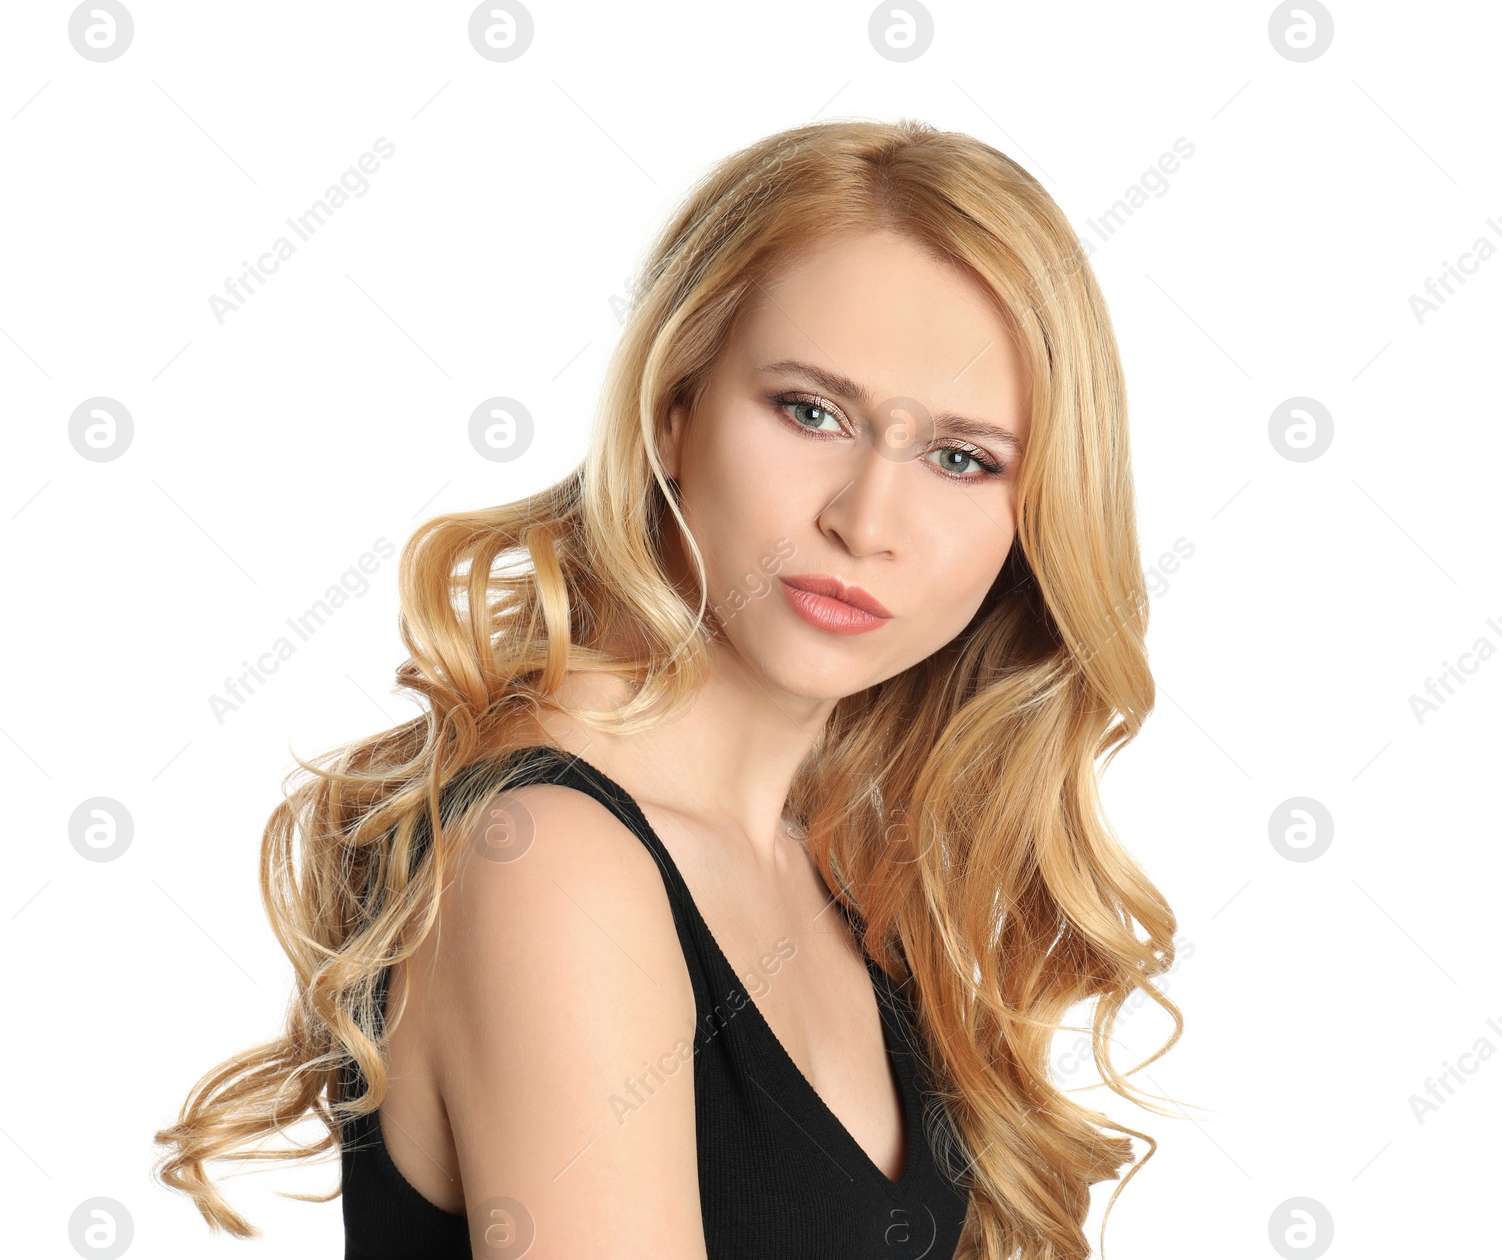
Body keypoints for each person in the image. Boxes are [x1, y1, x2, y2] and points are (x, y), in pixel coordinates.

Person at [153, 117, 1181, 1260]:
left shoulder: (843, 873)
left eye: (960, 458)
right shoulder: (547, 858)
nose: (864, 521)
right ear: (671, 407)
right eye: (810, 412)